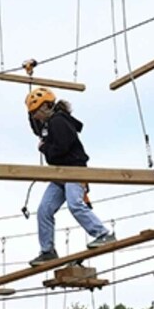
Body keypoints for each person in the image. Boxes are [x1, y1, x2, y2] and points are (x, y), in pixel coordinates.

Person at [25, 87, 115, 267]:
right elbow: (38, 130)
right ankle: (47, 251)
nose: (35, 117)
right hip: (60, 174)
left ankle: (104, 234)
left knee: (75, 204)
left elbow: (60, 149)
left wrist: (44, 149)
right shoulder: (49, 124)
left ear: (45, 108)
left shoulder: (58, 122)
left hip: (74, 170)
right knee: (44, 210)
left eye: (36, 112)